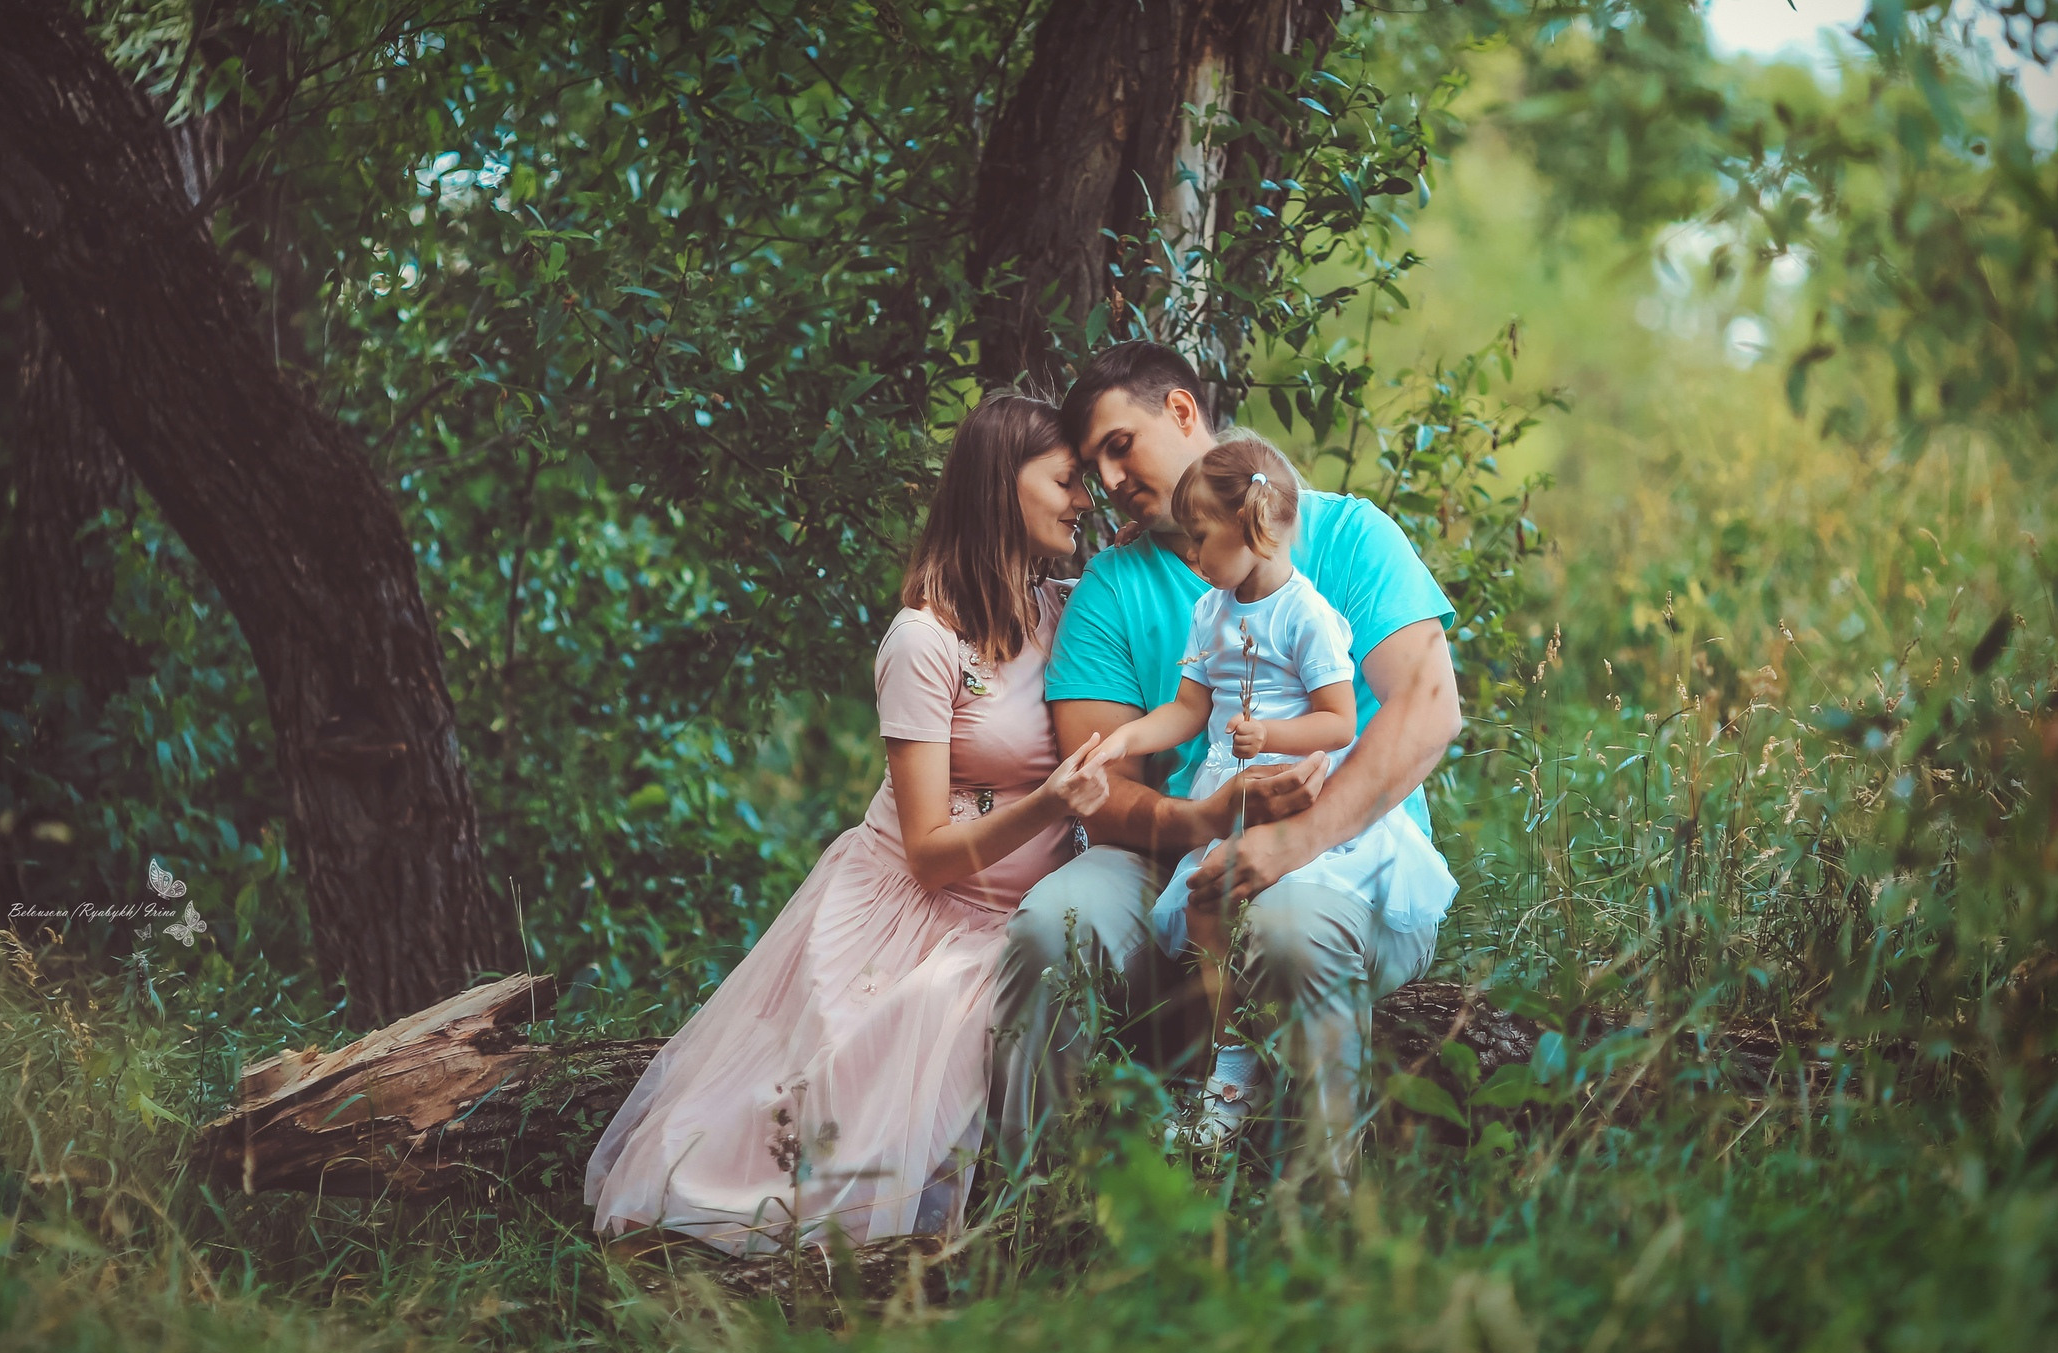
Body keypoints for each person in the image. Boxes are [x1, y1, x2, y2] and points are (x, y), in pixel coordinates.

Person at [587, 395, 1115, 1255]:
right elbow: (931, 856)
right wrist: (1053, 803)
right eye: (1065, 481)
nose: (1084, 500)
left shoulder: (1066, 609)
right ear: (999, 484)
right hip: (919, 913)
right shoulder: (922, 641)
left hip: (1023, 908)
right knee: (866, 1100)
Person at [988, 341, 1464, 1184]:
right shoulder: (1115, 585)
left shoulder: (1349, 536)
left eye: (1118, 445)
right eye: (1091, 464)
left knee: (1284, 930)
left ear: (1180, 411)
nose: (1107, 481)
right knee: (1049, 925)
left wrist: (1291, 842)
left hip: (1346, 856)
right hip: (1173, 857)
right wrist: (1204, 824)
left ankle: (1318, 1226)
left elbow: (1429, 707)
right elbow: (1103, 793)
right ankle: (1032, 1206)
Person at [1090, 434, 1457, 1145]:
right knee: (1205, 909)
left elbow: (1338, 720)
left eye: (1202, 539)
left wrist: (1272, 740)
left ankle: (1289, 1119)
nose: (1192, 556)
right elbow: (1189, 709)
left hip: (1303, 792)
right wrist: (1126, 740)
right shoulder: (1210, 611)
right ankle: (1225, 1076)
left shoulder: (1307, 613)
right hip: (1235, 792)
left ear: (1253, 531)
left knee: (1271, 917)